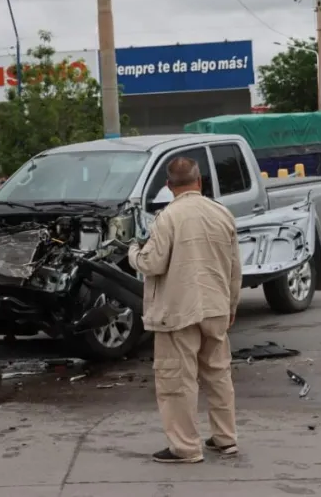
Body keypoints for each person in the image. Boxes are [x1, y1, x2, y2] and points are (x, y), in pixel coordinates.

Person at [128, 156, 241, 464]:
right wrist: (231, 305)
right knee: (218, 374)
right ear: (199, 181)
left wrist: (133, 252)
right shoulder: (222, 214)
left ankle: (185, 448)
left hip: (178, 312)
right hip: (215, 306)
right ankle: (225, 438)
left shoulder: (167, 217)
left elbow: (153, 263)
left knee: (177, 380)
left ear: (168, 186)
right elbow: (235, 268)